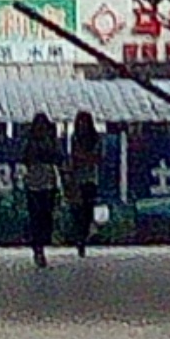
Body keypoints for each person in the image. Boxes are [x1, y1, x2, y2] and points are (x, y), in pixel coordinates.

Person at [19, 113, 64, 266]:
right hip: (34, 182)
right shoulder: (30, 143)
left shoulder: (52, 142)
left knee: (46, 214)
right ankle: (37, 246)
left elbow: (58, 158)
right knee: (36, 215)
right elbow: (26, 159)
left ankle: (42, 240)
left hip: (48, 181)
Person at [66, 108, 104, 256]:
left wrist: (84, 157)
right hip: (78, 178)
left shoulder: (96, 139)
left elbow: (97, 157)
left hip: (90, 178)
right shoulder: (74, 138)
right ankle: (79, 237)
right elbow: (75, 157)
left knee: (88, 209)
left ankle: (84, 235)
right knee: (78, 210)